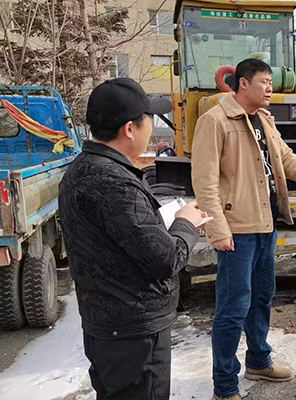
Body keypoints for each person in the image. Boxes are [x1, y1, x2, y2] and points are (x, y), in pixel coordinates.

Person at [59, 78, 209, 400]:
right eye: (149, 119)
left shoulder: (82, 168)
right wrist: (187, 223)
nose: (151, 128)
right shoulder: (114, 183)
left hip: (109, 325)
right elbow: (165, 259)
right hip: (133, 334)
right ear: (130, 129)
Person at [192, 59, 296, 400]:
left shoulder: (264, 119)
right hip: (237, 229)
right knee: (233, 307)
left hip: (266, 224)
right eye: (264, 81)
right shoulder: (215, 121)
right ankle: (224, 386)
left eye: (271, 83)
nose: (269, 88)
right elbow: (204, 181)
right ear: (243, 83)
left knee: (262, 297)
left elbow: (283, 156)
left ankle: (259, 361)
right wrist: (217, 228)